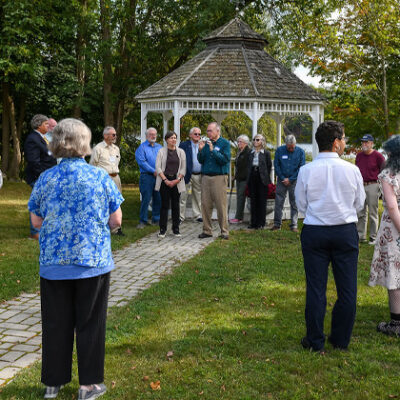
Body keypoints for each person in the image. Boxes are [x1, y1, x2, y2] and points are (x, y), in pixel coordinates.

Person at [28, 118, 123, 400]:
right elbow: (116, 220)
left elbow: (35, 220)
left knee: (56, 323)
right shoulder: (98, 178)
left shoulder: (45, 179)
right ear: (84, 145)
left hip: (54, 264)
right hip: (91, 262)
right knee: (90, 323)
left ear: (56, 144)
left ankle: (52, 384)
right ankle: (89, 385)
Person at [295, 120, 365, 352]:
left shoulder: (306, 170)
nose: (345, 143)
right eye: (344, 139)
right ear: (335, 142)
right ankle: (340, 339)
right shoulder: (352, 170)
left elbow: (301, 205)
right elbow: (359, 203)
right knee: (347, 289)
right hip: (344, 230)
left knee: (316, 288)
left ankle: (315, 341)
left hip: (315, 230)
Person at [369, 135, 400, 336]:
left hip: (394, 227)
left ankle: (396, 324)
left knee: (395, 274)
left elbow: (391, 205)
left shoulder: (388, 174)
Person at [24, 114, 57, 239]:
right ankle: (35, 232)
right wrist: (43, 176)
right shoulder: (33, 138)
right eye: (46, 124)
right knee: (37, 204)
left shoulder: (42, 138)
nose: (48, 127)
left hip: (46, 176)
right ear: (39, 125)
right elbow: (34, 162)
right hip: (38, 177)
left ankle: (43, 230)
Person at [198, 122, 231, 240]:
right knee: (205, 205)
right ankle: (207, 230)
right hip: (206, 177)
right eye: (207, 131)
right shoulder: (206, 143)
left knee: (220, 205)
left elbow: (225, 160)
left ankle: (224, 231)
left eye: (210, 130)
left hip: (219, 177)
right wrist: (200, 150)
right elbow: (201, 160)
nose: (208, 133)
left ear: (218, 131)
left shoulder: (225, 143)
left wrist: (213, 151)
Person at [90, 126, 124, 236]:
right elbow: (93, 165)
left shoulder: (116, 148)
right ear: (105, 136)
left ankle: (116, 228)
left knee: (116, 203)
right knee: (103, 203)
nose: (115, 136)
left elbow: (117, 162)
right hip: (103, 179)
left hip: (115, 178)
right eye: (113, 134)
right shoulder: (98, 148)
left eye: (115, 134)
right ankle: (102, 227)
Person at [155, 131, 186, 238]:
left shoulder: (181, 152)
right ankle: (162, 229)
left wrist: (177, 180)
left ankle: (176, 229)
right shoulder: (161, 151)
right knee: (164, 205)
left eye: (175, 138)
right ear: (166, 139)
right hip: (165, 180)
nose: (173, 140)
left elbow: (183, 168)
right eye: (171, 138)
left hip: (177, 181)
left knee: (176, 205)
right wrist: (166, 180)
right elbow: (158, 167)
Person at [272, 134, 305, 232]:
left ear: (295, 144)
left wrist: (290, 179)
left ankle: (294, 225)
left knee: (294, 203)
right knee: (278, 202)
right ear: (286, 144)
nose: (291, 149)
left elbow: (301, 167)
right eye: (289, 147)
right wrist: (282, 178)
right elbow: (276, 165)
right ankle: (277, 224)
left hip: (294, 181)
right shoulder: (279, 150)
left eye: (292, 147)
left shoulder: (300, 152)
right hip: (281, 180)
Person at [356, 134, 385, 245]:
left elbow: (384, 171)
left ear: (372, 143)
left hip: (373, 185)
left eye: (366, 142)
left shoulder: (378, 156)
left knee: (373, 212)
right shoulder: (359, 156)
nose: (364, 144)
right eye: (363, 142)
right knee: (360, 211)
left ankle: (373, 237)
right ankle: (360, 236)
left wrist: (381, 187)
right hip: (361, 185)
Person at [135, 127, 162, 228]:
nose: (153, 136)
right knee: (146, 199)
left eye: (155, 134)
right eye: (151, 134)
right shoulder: (141, 148)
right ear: (146, 136)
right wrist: (153, 171)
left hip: (158, 176)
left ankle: (156, 219)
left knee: (158, 198)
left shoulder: (159, 147)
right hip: (146, 177)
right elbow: (142, 162)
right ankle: (143, 220)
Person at [247, 134, 272, 229]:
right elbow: (248, 165)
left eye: (257, 140)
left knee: (262, 200)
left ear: (262, 141)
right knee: (253, 200)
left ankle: (261, 223)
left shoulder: (266, 153)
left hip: (262, 178)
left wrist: (265, 177)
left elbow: (268, 166)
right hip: (252, 176)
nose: (255, 141)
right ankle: (253, 222)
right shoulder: (250, 152)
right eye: (254, 139)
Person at [179, 127, 202, 223]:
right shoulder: (184, 145)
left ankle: (197, 216)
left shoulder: (203, 145)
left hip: (198, 174)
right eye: (195, 134)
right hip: (186, 174)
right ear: (190, 135)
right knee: (182, 196)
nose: (198, 136)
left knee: (197, 196)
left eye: (199, 134)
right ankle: (180, 217)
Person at [229, 134, 251, 224]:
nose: (238, 143)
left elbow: (247, 167)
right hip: (239, 178)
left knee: (241, 197)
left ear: (245, 143)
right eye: (238, 141)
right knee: (239, 197)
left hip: (244, 179)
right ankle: (238, 216)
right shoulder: (239, 151)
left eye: (240, 142)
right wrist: (235, 176)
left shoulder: (248, 152)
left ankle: (238, 217)